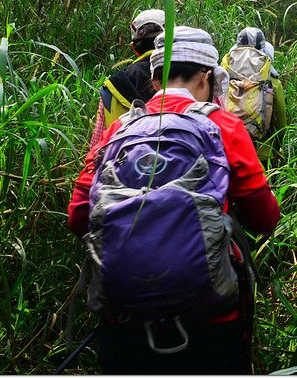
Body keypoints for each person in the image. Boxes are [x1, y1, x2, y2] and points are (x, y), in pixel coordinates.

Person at [69, 26, 281, 374]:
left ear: (153, 81)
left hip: (124, 320)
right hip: (211, 320)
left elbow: (78, 217)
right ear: (206, 77)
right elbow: (265, 219)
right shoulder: (224, 127)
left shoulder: (117, 131)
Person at [89, 9, 165, 146]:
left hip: (125, 164)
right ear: (174, 43)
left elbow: (96, 146)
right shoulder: (193, 78)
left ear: (134, 48)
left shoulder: (111, 88)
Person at [223, 27, 287, 165]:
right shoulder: (272, 82)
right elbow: (281, 126)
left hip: (226, 152)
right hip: (262, 155)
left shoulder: (222, 77)